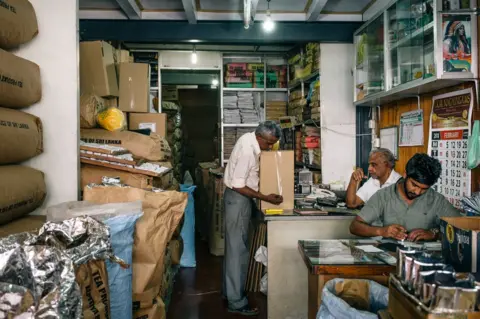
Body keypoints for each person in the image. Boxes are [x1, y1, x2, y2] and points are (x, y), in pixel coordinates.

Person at [223, 121, 283, 316]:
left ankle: (229, 293)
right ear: (260, 138)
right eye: (269, 144)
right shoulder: (249, 150)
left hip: (240, 200)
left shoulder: (249, 139)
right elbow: (238, 184)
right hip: (238, 199)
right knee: (238, 251)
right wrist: (265, 197)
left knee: (234, 248)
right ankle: (236, 302)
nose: (270, 147)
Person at [350, 153, 460, 242]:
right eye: (414, 185)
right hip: (390, 257)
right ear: (405, 175)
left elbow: (462, 229)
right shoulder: (383, 196)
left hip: (423, 260)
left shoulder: (436, 200)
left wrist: (434, 234)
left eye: (424, 189)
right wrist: (382, 231)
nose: (417, 192)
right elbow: (355, 226)